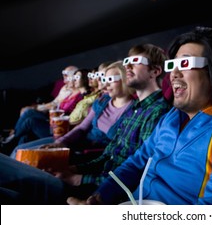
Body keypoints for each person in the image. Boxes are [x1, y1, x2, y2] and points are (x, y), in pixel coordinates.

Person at [68, 26, 212, 205]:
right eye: (172, 65)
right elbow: (135, 163)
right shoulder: (172, 117)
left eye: (184, 63)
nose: (173, 74)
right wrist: (99, 198)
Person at [0, 43, 171, 204]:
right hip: (92, 178)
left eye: (135, 61)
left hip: (99, 191)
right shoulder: (136, 109)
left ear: (155, 71)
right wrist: (74, 169)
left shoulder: (158, 112)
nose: (127, 66)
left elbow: (137, 172)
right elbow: (108, 156)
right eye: (127, 61)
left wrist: (79, 179)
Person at [9, 61, 134, 159]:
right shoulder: (102, 101)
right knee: (20, 149)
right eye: (105, 79)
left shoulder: (134, 110)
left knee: (24, 152)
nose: (105, 85)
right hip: (72, 141)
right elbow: (81, 128)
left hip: (86, 152)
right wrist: (61, 142)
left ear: (124, 79)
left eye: (111, 80)